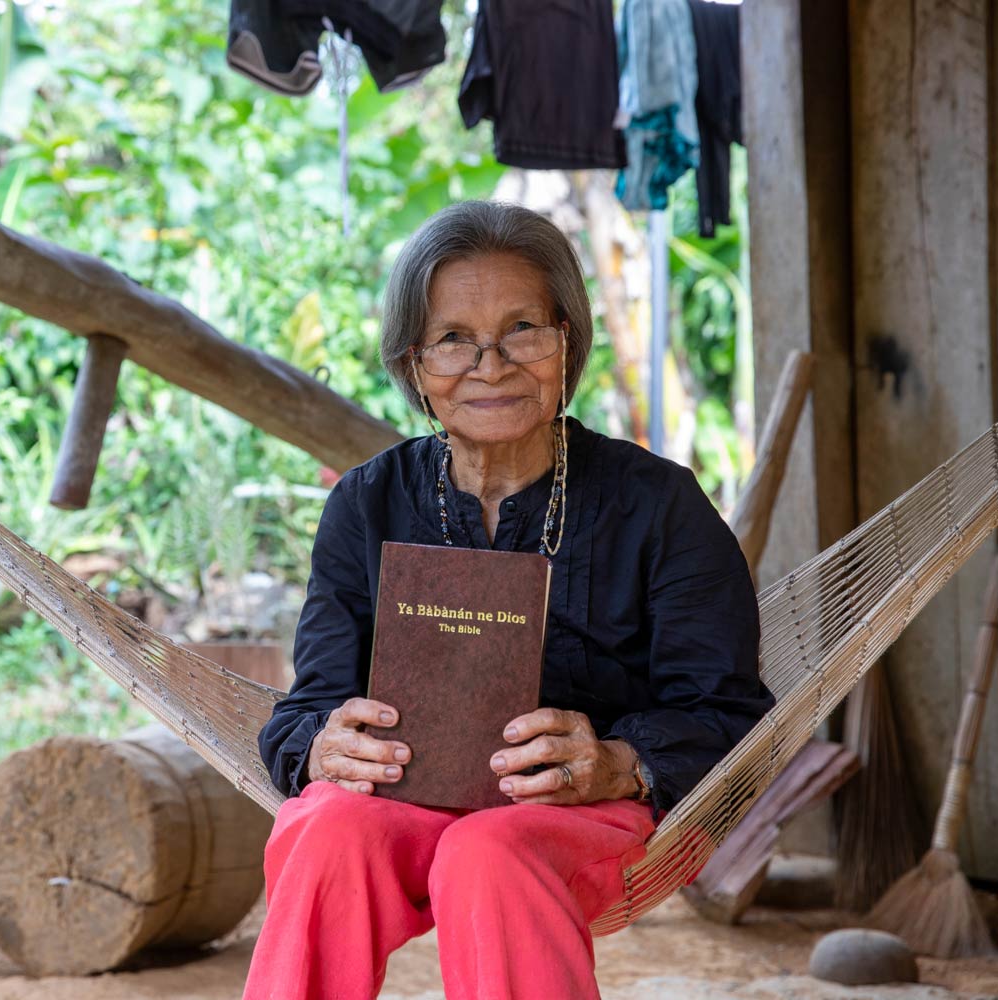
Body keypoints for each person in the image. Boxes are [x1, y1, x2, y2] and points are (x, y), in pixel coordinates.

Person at [246, 201, 774, 1000]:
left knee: (487, 851)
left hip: (581, 814)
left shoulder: (659, 506)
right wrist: (321, 747)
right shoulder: (367, 503)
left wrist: (617, 763)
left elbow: (727, 712)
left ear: (567, 341)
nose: (490, 364)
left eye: (522, 328)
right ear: (415, 363)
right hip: (407, 803)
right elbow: (309, 704)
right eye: (454, 338)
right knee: (325, 828)